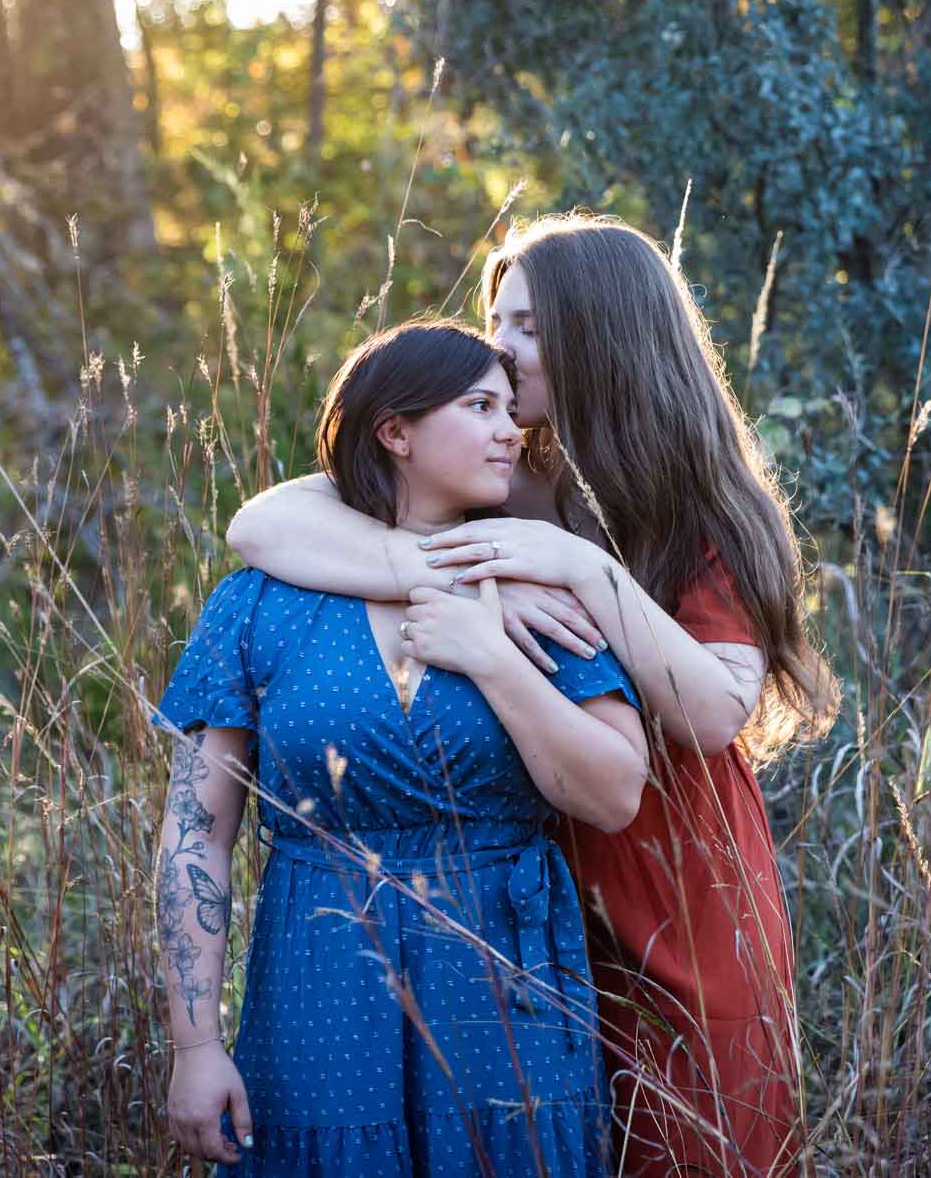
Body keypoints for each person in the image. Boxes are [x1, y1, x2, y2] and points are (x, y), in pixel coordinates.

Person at [227, 213, 837, 1176]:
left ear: (603, 333)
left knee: (696, 1140)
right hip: (521, 871)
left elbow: (717, 710)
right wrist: (435, 566)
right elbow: (262, 523)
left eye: (526, 327)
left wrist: (578, 569)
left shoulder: (708, 500)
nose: (499, 350)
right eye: (496, 321)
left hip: (678, 875)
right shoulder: (505, 475)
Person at [152, 320, 649, 1175]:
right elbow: (196, 833)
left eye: (510, 408)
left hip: (507, 979)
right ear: (396, 431)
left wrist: (491, 654)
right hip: (319, 974)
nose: (511, 429)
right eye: (480, 406)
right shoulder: (258, 603)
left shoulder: (534, 588)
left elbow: (614, 792)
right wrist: (195, 1044)